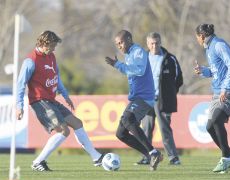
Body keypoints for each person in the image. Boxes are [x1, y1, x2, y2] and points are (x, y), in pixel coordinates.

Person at [16, 31, 104, 171]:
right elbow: (20, 84)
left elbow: (57, 78)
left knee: (77, 123)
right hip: (39, 102)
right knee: (63, 130)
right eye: (52, 45)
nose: (54, 49)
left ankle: (96, 157)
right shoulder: (30, 61)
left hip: (51, 100)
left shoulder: (51, 56)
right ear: (44, 43)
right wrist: (19, 106)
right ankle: (38, 162)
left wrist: (65, 95)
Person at [105, 30, 163, 171]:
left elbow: (140, 70)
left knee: (128, 120)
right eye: (117, 44)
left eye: (121, 42)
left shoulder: (137, 51)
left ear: (129, 39)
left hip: (144, 97)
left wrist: (118, 65)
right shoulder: (129, 53)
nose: (119, 46)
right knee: (121, 134)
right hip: (138, 96)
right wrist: (119, 65)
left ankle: (153, 152)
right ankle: (151, 155)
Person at [194, 24, 230, 173]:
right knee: (209, 127)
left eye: (196, 36)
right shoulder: (209, 47)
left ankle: (226, 158)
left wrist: (226, 88)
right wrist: (204, 71)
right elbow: (218, 71)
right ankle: (229, 154)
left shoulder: (219, 45)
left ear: (201, 36)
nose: (196, 39)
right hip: (219, 91)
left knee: (216, 120)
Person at [135, 32, 183, 166]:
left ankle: (173, 158)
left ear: (160, 42)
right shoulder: (142, 59)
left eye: (156, 43)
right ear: (147, 44)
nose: (154, 46)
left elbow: (178, 79)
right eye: (152, 43)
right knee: (146, 129)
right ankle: (147, 157)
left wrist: (170, 93)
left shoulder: (169, 58)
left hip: (162, 100)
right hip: (146, 99)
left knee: (164, 129)